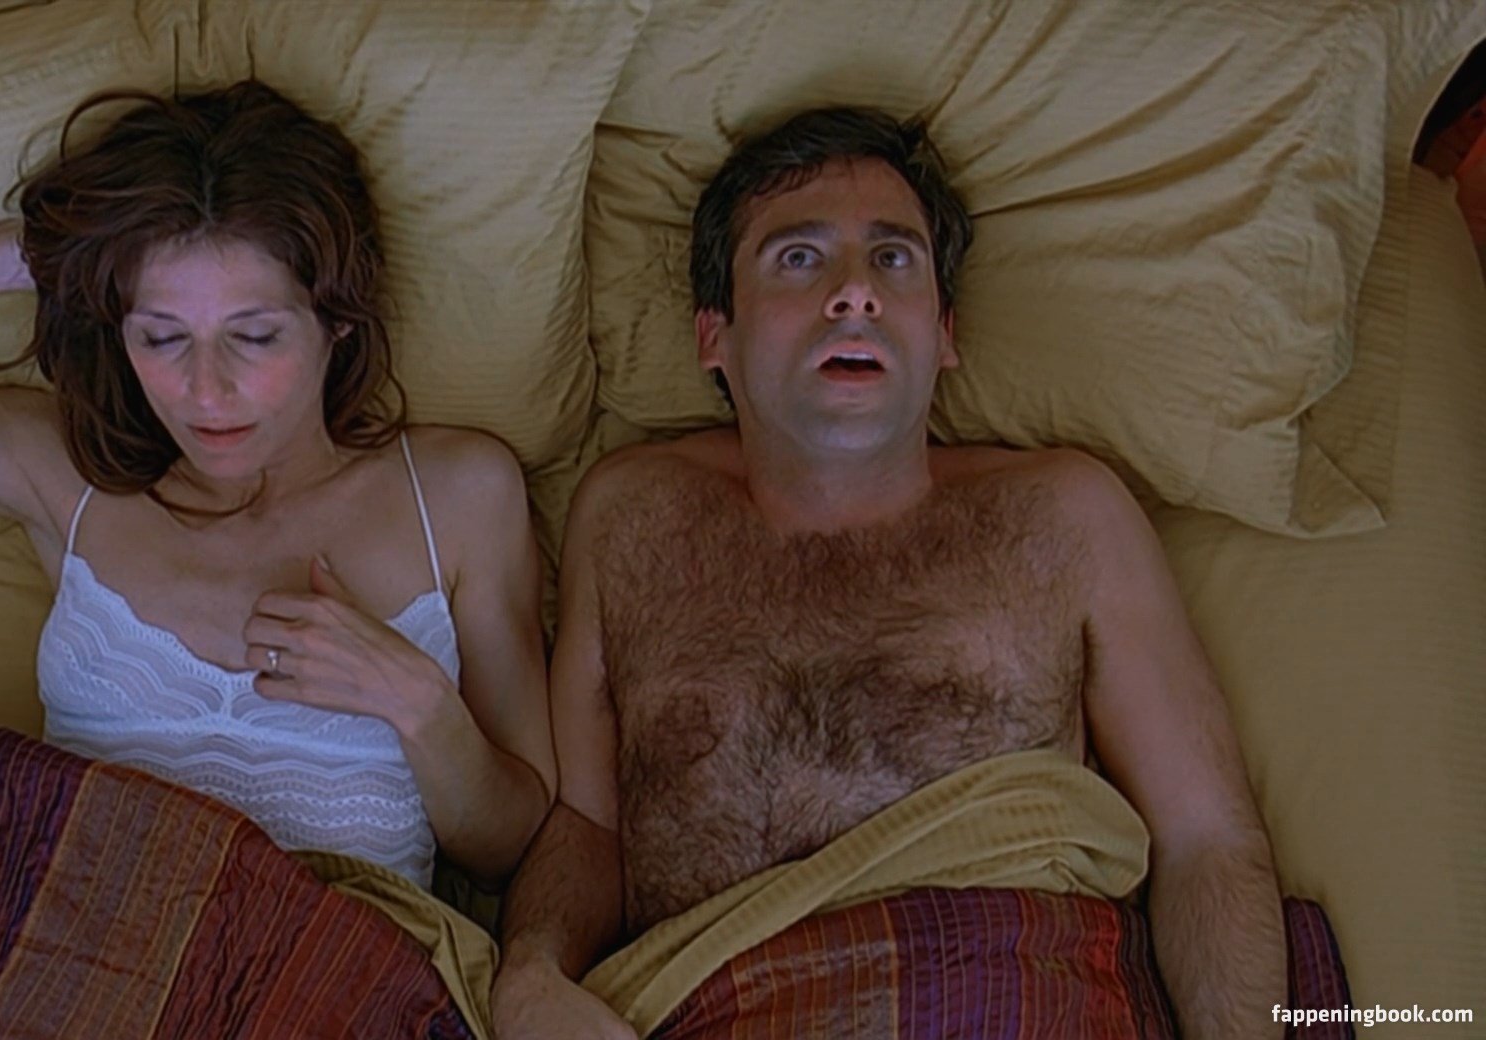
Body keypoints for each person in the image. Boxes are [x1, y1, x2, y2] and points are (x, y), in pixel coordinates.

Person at [492, 106, 1285, 1039]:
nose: (855, 293)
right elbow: (588, 824)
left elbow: (1209, 839)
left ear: (943, 333)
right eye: (799, 258)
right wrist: (530, 968)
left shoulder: (1066, 517)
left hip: (1014, 998)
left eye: (894, 258)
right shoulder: (631, 518)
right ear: (716, 336)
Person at [0, 81, 555, 891]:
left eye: (254, 336)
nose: (206, 391)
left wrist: (416, 703)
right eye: (162, 337)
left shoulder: (457, 495)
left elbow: (512, 844)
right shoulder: (72, 475)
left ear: (339, 320)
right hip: (67, 953)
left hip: (319, 975)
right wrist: (44, 253)